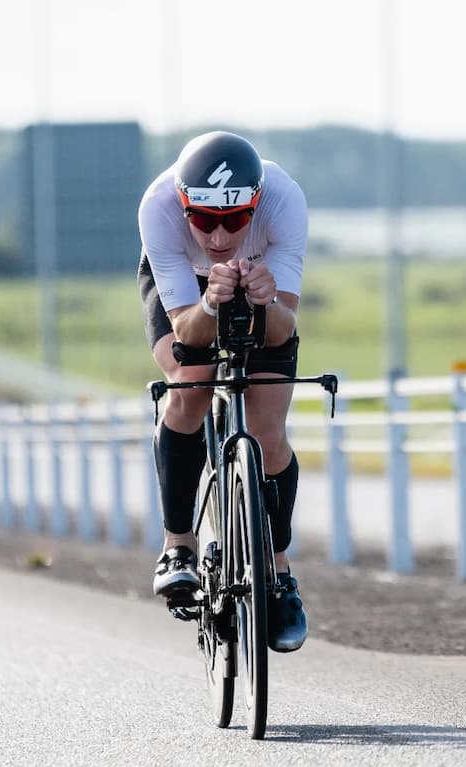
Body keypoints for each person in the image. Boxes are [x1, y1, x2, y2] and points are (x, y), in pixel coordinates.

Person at [137, 130, 308, 652]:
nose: (217, 236)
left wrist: (267, 302)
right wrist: (210, 305)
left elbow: (284, 329)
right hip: (188, 292)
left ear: (255, 205)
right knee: (189, 389)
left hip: (261, 289)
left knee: (268, 433)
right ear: (183, 205)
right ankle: (178, 546)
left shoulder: (284, 201)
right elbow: (186, 332)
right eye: (203, 219)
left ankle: (278, 573)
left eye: (234, 220)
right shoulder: (158, 208)